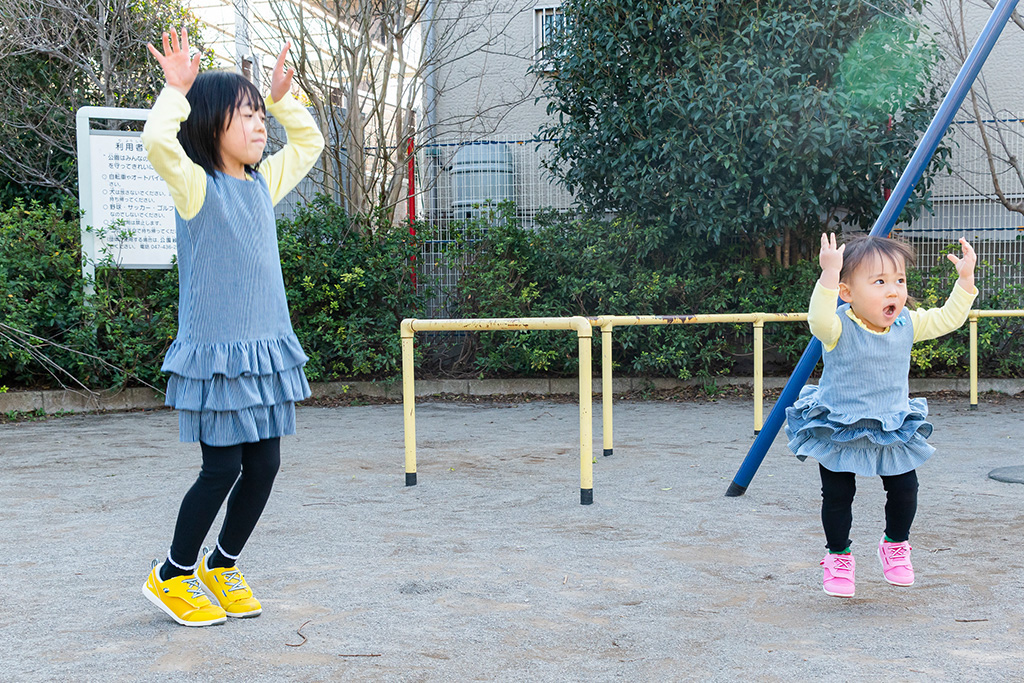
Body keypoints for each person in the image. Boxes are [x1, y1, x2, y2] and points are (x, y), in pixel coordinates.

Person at [139, 27, 324, 626]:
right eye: (244, 116)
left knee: (265, 466)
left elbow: (312, 142)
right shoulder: (197, 188)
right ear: (211, 123)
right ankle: (171, 573)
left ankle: (223, 564)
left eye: (257, 116)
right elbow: (157, 145)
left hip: (264, 354)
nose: (257, 126)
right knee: (220, 469)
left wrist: (281, 100)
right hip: (217, 358)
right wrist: (176, 92)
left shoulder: (263, 184)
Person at [786, 232, 977, 598]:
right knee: (838, 494)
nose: (894, 291)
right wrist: (828, 275)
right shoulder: (838, 327)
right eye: (880, 282)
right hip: (841, 424)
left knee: (905, 490)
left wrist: (965, 280)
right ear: (848, 293)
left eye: (899, 281)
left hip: (890, 424)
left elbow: (948, 319)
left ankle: (895, 545)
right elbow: (817, 319)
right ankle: (838, 555)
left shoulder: (907, 323)